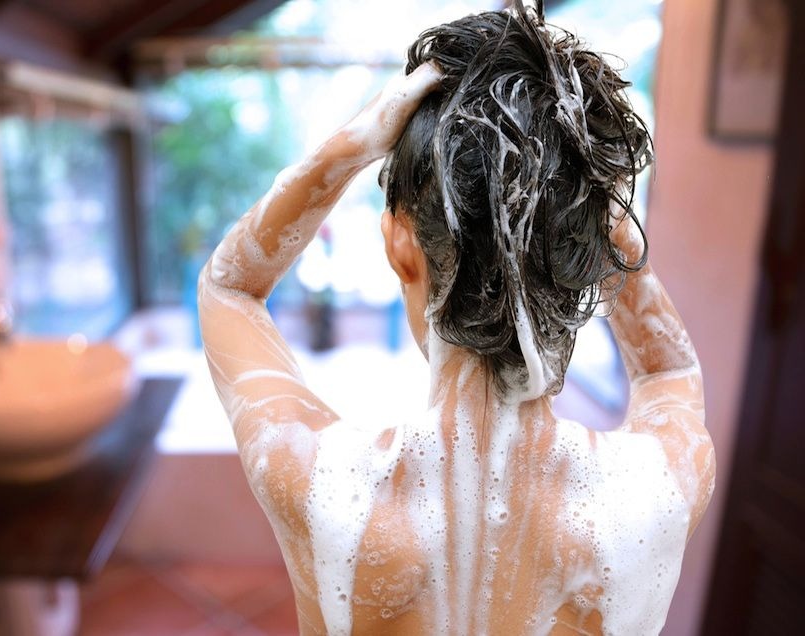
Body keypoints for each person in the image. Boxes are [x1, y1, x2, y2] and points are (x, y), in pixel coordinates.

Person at [197, 2, 715, 634]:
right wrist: (585, 208)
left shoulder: (321, 487)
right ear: (581, 256)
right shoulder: (655, 495)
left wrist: (350, 146)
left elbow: (230, 288)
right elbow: (670, 370)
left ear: (398, 243)